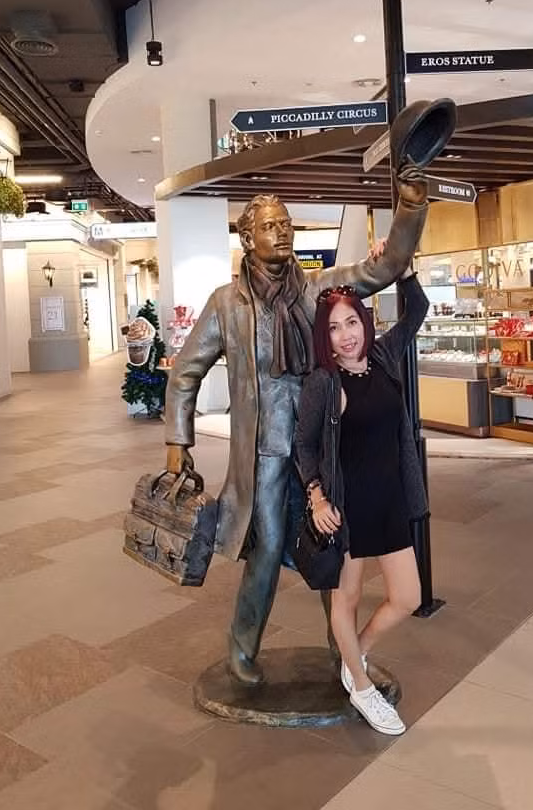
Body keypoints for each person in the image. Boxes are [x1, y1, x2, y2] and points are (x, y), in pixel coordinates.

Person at [164, 179, 428, 685]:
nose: (282, 232)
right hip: (263, 452)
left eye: (286, 224)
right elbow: (185, 372)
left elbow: (384, 268)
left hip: (322, 446)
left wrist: (411, 207)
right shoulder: (226, 304)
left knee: (334, 546)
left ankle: (344, 653)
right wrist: (178, 442)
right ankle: (243, 647)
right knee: (266, 548)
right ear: (248, 239)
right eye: (269, 226)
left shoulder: (316, 290)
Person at [294, 268, 429, 735]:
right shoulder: (322, 383)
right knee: (346, 599)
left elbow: (417, 311)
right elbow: (303, 445)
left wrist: (404, 272)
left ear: (365, 323)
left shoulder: (385, 357)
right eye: (334, 327)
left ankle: (357, 655)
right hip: (347, 510)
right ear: (325, 336)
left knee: (408, 597)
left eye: (351, 322)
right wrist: (316, 498)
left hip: (390, 499)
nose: (346, 335)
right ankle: (363, 687)